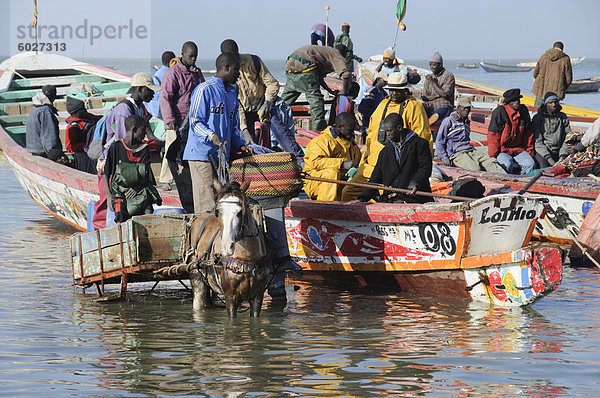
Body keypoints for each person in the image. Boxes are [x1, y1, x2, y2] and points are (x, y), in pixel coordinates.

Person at [341, 72, 432, 201]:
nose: (394, 93)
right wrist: (363, 161)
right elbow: (371, 136)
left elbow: (423, 140)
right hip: (371, 165)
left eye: (397, 91)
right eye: (391, 90)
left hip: (396, 169)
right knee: (348, 192)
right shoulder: (383, 104)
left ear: (405, 90)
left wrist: (417, 178)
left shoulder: (414, 107)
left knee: (385, 198)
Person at [183, 52, 253, 214]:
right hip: (202, 156)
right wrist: (211, 136)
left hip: (222, 158)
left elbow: (233, 127)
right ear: (226, 68)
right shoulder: (204, 90)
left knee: (222, 204)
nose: (239, 74)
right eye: (237, 70)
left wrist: (241, 145)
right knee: (207, 206)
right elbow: (195, 122)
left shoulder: (231, 95)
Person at [92, 72, 158, 230]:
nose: (153, 93)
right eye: (150, 90)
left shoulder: (140, 107)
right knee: (107, 201)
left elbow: (145, 128)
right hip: (115, 161)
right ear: (140, 89)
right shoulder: (124, 109)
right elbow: (124, 144)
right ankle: (99, 235)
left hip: (126, 165)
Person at [159, 41, 204, 211]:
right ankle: (165, 180)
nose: (193, 59)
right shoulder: (173, 73)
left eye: (195, 56)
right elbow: (165, 97)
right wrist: (169, 119)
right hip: (177, 120)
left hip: (193, 119)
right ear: (182, 55)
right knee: (172, 149)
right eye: (191, 56)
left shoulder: (197, 73)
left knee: (188, 150)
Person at [358, 113, 433, 204]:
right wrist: (361, 199)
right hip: (390, 200)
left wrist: (415, 182)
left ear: (399, 128)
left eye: (389, 131)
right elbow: (375, 178)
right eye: (386, 131)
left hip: (415, 198)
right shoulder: (385, 152)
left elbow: (425, 169)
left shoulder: (420, 144)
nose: (387, 134)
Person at [103, 115, 162, 224]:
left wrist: (136, 188)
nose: (144, 134)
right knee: (120, 213)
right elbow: (106, 173)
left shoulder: (144, 148)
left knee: (147, 207)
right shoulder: (115, 147)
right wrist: (108, 195)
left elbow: (146, 174)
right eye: (143, 130)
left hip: (140, 189)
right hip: (121, 193)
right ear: (134, 130)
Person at [219, 39, 279, 144]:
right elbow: (236, 105)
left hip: (262, 106)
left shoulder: (253, 61)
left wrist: (267, 103)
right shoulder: (228, 75)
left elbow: (272, 83)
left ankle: (296, 155)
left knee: (280, 122)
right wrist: (244, 129)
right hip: (245, 114)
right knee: (249, 143)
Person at [281, 44, 351, 131]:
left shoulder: (325, 53)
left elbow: (319, 79)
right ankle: (319, 131)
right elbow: (346, 74)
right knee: (316, 103)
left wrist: (331, 91)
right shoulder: (337, 54)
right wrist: (344, 90)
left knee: (283, 102)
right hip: (305, 66)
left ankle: (270, 121)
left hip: (291, 65)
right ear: (344, 53)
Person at [436, 97, 506, 173]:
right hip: (456, 153)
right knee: (475, 168)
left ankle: (508, 179)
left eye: (468, 108)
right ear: (459, 108)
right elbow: (439, 141)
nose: (467, 110)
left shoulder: (466, 122)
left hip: (470, 150)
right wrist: (444, 158)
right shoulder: (448, 121)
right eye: (464, 108)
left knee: (490, 162)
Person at [303, 112, 361, 201]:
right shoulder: (322, 141)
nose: (352, 133)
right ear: (340, 128)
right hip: (314, 181)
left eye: (353, 130)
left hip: (341, 183)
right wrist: (342, 164)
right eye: (350, 130)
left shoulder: (352, 145)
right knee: (332, 173)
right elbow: (315, 162)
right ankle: (326, 208)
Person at [488, 88, 535, 174]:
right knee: (506, 164)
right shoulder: (499, 112)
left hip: (518, 149)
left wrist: (530, 152)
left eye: (518, 100)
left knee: (530, 164)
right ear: (508, 102)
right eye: (513, 100)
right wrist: (493, 156)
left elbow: (528, 135)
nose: (517, 102)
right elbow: (493, 136)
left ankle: (524, 181)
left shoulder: (523, 111)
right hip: (502, 150)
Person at [532, 91, 571, 168]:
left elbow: (567, 138)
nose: (554, 105)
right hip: (543, 151)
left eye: (556, 102)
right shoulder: (538, 118)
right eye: (551, 102)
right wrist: (549, 158)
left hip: (559, 151)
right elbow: (537, 142)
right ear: (546, 104)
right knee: (544, 166)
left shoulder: (562, 117)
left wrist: (562, 155)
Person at [64, 96, 101, 173]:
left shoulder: (90, 118)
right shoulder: (72, 127)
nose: (85, 110)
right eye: (82, 110)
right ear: (74, 113)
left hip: (96, 151)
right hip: (84, 157)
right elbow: (69, 147)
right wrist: (87, 145)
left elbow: (100, 119)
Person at [532, 41, 573, 106]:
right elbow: (569, 79)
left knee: (537, 111)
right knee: (553, 111)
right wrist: (562, 87)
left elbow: (535, 73)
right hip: (556, 92)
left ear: (553, 47)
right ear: (562, 49)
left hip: (541, 90)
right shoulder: (565, 59)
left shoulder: (543, 57)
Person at [25, 85, 60, 157]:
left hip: (33, 149)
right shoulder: (45, 110)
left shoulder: (34, 108)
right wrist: (53, 154)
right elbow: (49, 135)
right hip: (41, 151)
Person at [421, 52, 455, 126]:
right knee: (417, 109)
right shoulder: (429, 77)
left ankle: (427, 125)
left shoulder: (448, 76)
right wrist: (437, 95)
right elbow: (424, 97)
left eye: (434, 65)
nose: (431, 67)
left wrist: (433, 83)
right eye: (430, 65)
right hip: (430, 105)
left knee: (437, 116)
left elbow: (445, 94)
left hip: (443, 106)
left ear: (440, 65)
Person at [145, 50, 176, 118]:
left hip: (152, 109)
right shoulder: (170, 74)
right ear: (172, 61)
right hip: (162, 110)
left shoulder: (158, 73)